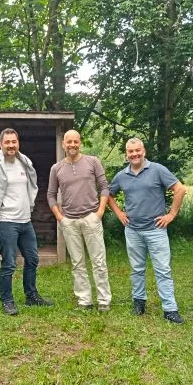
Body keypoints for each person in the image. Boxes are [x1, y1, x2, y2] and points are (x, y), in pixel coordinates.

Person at [0, 128, 53, 315]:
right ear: (0, 144)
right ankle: (7, 301)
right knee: (9, 263)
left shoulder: (23, 162)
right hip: (5, 222)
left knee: (32, 259)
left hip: (25, 221)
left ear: (18, 143)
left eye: (14, 142)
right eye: (7, 142)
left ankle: (31, 296)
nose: (11, 145)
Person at [107, 138, 186, 324]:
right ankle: (139, 302)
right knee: (136, 269)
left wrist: (171, 215)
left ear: (144, 151)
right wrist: (119, 213)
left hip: (156, 230)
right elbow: (108, 195)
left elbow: (180, 189)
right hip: (132, 230)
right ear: (126, 154)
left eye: (137, 150)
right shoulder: (121, 176)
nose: (134, 154)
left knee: (163, 270)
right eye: (130, 152)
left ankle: (170, 309)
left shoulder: (157, 170)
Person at [47, 129, 112, 311]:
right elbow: (51, 195)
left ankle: (104, 301)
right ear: (63, 144)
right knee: (77, 263)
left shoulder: (93, 162)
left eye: (76, 141)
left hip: (91, 218)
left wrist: (99, 212)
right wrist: (60, 218)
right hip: (70, 222)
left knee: (98, 261)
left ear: (80, 143)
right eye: (69, 142)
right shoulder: (56, 168)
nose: (72, 145)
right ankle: (85, 301)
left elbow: (104, 187)